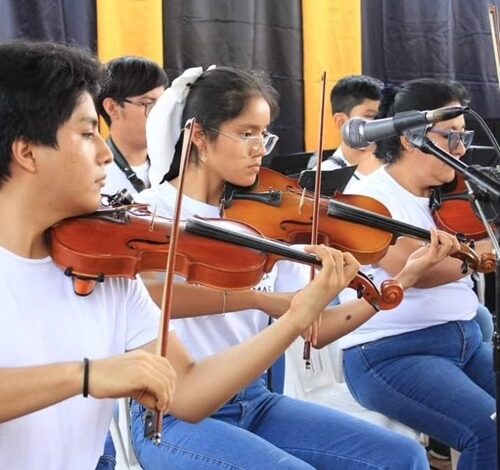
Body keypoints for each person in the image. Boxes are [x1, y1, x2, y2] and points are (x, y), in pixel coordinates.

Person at [0, 40, 371, 470]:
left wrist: (295, 316)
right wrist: (85, 375)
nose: (104, 154)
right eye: (86, 134)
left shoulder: (108, 269)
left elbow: (189, 393)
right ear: (27, 152)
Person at [131, 65, 461, 469]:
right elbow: (151, 294)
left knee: (401, 455)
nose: (259, 148)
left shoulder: (266, 219)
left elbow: (316, 330)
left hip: (252, 400)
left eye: (264, 134)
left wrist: (402, 280)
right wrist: (259, 299)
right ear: (199, 135)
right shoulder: (152, 210)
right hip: (172, 414)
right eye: (246, 133)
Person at [333, 78, 496, 469]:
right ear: (410, 138)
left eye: (464, 135)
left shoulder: (454, 194)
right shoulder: (368, 200)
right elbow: (418, 270)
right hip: (394, 353)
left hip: (465, 340)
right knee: (488, 431)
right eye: (450, 136)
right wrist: (488, 248)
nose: (461, 149)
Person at [97, 56, 168, 196]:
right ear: (112, 108)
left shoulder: (176, 168)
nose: (162, 114)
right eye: (149, 103)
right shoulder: (93, 176)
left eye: (163, 103)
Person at [309, 74, 383, 191]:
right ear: (342, 122)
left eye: (383, 117)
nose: (379, 124)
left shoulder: (398, 168)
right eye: (370, 116)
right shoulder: (322, 178)